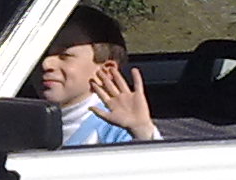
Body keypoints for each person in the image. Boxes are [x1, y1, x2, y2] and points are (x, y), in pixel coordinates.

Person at [39, 8, 156, 144]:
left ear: (105, 71)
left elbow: (156, 163)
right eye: (41, 54)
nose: (46, 63)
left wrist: (142, 130)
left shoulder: (117, 132)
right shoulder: (30, 122)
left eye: (65, 55)